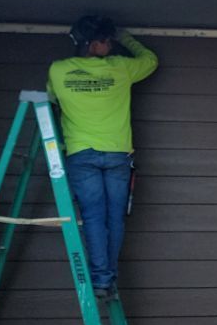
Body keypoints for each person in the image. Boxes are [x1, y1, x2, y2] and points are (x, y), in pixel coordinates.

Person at [47, 16, 159, 298]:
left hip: (82, 155)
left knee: (95, 218)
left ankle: (101, 280)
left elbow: (51, 100)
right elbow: (150, 60)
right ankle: (107, 277)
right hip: (117, 156)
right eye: (106, 40)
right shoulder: (121, 68)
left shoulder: (59, 70)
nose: (109, 45)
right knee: (114, 219)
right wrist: (126, 38)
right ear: (94, 43)